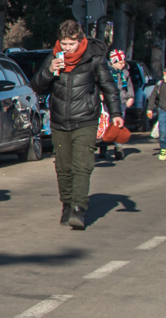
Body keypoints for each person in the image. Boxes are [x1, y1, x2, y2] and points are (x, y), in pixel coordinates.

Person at [29, 19, 121, 231]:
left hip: (85, 119)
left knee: (82, 164)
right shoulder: (54, 57)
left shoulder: (94, 59)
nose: (67, 48)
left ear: (80, 41)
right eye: (64, 44)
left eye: (71, 44)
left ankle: (79, 208)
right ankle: (67, 204)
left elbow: (109, 87)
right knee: (63, 167)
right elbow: (35, 86)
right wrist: (49, 71)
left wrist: (116, 113)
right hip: (60, 120)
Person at [99, 49, 134, 163]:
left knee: (119, 125)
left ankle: (118, 148)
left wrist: (130, 97)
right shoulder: (106, 71)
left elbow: (129, 86)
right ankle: (103, 147)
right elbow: (101, 83)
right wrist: (101, 93)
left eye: (124, 63)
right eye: (120, 63)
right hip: (108, 101)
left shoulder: (125, 73)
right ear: (114, 62)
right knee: (107, 124)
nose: (123, 65)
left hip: (121, 100)